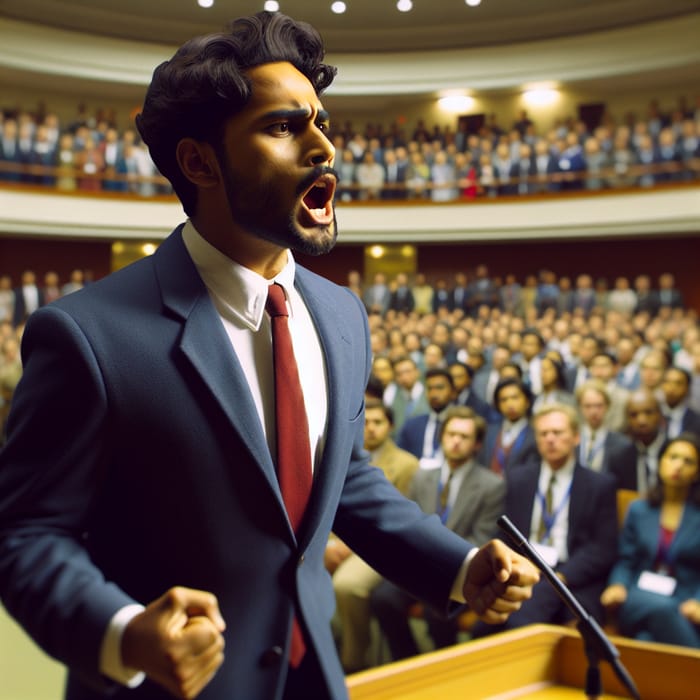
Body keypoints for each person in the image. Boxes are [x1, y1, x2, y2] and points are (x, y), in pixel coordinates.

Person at [0, 13, 538, 700]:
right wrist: (124, 631)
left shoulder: (342, 314)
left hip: (314, 676)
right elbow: (27, 534)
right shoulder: (86, 335)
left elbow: (345, 482)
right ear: (200, 162)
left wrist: (460, 567)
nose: (324, 147)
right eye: (284, 127)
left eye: (322, 122)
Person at [371, 407, 506, 660]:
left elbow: (482, 537)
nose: (455, 441)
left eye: (464, 437)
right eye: (451, 434)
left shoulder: (491, 485)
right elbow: (408, 524)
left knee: (438, 610)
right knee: (383, 599)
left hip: (459, 568)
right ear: (442, 437)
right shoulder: (423, 477)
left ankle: (444, 670)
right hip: (418, 563)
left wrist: (441, 563)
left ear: (477, 444)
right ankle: (408, 660)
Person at [472, 404, 618, 637]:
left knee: (520, 624)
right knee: (481, 627)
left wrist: (560, 577)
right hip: (525, 567)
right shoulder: (519, 479)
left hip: (569, 573)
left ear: (576, 437)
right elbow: (505, 534)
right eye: (543, 433)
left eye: (557, 433)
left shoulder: (599, 485)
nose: (550, 439)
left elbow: (602, 549)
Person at [327, 399, 418, 673]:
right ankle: (316, 649)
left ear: (390, 426)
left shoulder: (406, 464)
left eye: (378, 422)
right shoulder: (341, 455)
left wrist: (348, 546)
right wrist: (330, 544)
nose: (371, 429)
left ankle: (354, 660)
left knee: (346, 585)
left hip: (380, 545)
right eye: (365, 422)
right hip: (335, 541)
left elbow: (401, 519)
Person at [601, 434, 700, 648]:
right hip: (638, 596)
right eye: (672, 457)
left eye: (688, 461)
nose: (678, 466)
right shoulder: (639, 509)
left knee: (646, 640)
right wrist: (618, 585)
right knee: (663, 610)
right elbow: (626, 559)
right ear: (661, 462)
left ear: (696, 473)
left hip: (685, 601)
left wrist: (698, 602)